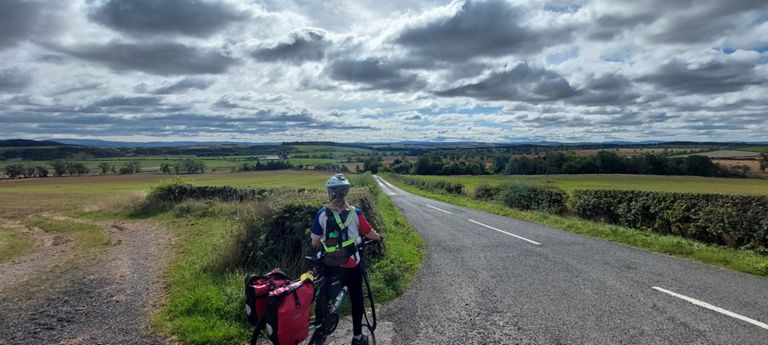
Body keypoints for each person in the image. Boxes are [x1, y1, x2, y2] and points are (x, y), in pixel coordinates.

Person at [311, 173, 381, 345]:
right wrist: (378, 237)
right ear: (346, 193)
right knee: (356, 299)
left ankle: (320, 331)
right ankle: (357, 337)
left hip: (330, 263)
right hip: (352, 264)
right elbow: (370, 233)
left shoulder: (322, 213)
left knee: (324, 296)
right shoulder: (356, 213)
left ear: (330, 193)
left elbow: (314, 242)